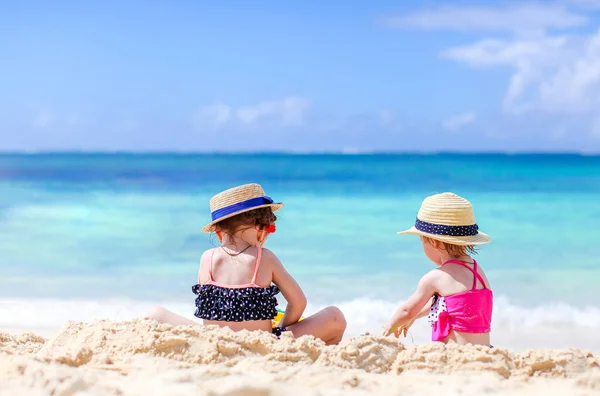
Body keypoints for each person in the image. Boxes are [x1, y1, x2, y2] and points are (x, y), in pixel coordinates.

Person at [148, 183, 346, 345]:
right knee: (334, 316)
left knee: (155, 313)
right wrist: (282, 329)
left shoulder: (206, 258)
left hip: (214, 342)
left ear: (218, 233)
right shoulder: (264, 257)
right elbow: (298, 302)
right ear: (261, 229)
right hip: (260, 345)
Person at [383, 192, 493, 346]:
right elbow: (452, 304)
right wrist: (415, 316)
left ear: (434, 242)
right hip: (485, 350)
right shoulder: (477, 271)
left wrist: (388, 329)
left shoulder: (435, 277)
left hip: (456, 354)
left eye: (422, 242)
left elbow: (407, 310)